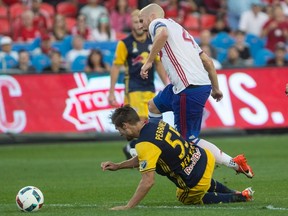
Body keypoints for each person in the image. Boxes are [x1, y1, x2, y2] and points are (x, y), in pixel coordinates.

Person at [138, 3, 254, 178]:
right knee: (153, 106)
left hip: (189, 88)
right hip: (187, 86)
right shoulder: (181, 30)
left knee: (188, 140)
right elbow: (207, 61)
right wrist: (216, 88)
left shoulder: (157, 24)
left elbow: (162, 34)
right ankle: (155, 145)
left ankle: (234, 162)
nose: (141, 25)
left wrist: (148, 61)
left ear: (151, 16)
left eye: (141, 20)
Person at [101, 105, 254, 210]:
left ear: (126, 125)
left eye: (119, 129)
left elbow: (148, 181)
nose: (120, 133)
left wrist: (129, 206)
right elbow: (145, 156)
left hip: (195, 178)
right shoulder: (156, 124)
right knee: (199, 178)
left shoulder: (144, 144)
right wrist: (118, 166)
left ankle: (240, 197)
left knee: (184, 196)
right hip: (203, 157)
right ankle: (233, 191)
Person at [108, 9, 168, 159]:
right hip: (133, 88)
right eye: (135, 22)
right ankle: (134, 149)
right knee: (137, 122)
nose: (138, 25)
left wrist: (166, 83)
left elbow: (159, 64)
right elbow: (116, 66)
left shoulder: (152, 42)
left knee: (148, 123)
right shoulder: (125, 43)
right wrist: (111, 91)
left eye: (139, 22)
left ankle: (133, 149)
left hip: (149, 87)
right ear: (131, 24)